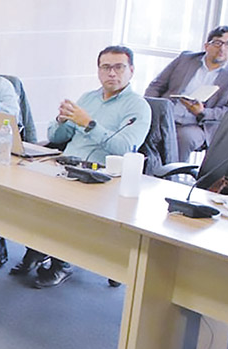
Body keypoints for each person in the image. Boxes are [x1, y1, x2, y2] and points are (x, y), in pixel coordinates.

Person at [13, 45, 152, 288]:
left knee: (64, 201)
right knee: (25, 184)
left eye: (118, 67)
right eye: (105, 67)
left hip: (101, 175)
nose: (111, 73)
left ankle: (62, 264)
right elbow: (56, 136)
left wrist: (88, 123)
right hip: (67, 165)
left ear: (131, 70)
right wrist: (62, 120)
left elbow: (125, 147)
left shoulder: (137, 106)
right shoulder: (88, 97)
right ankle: (36, 248)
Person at [144, 26, 228, 162]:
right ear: (207, 46)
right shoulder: (185, 59)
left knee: (184, 138)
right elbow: (157, 85)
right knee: (145, 131)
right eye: (218, 43)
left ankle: (172, 176)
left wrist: (203, 112)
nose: (222, 48)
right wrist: (150, 107)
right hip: (166, 117)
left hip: (198, 125)